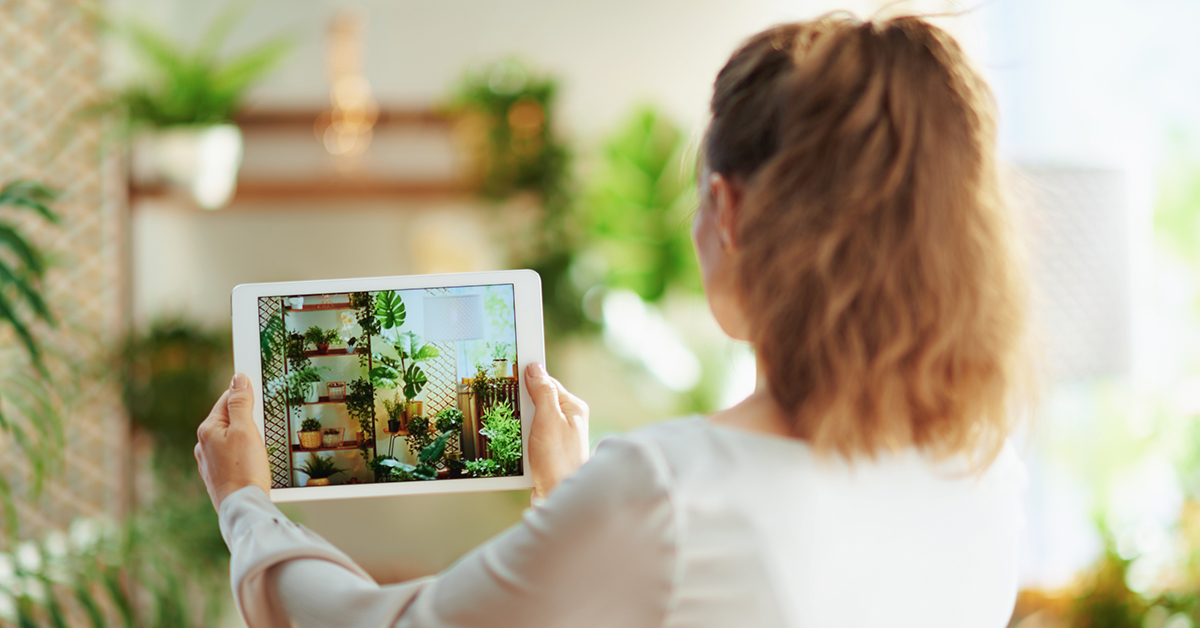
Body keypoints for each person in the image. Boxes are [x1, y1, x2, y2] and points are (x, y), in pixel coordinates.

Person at [195, 13, 1028, 628]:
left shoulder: (667, 490)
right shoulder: (982, 475)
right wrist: (570, 495)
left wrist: (246, 503)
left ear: (727, 210)